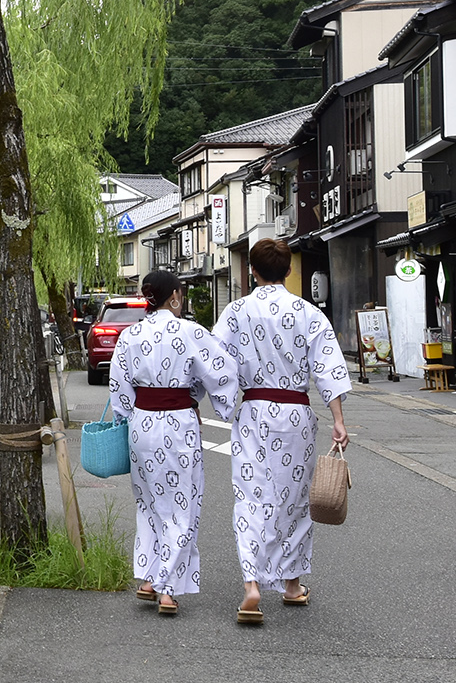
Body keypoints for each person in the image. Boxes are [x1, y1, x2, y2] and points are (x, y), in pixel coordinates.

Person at [215, 238, 351, 624]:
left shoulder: (236, 312)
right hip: (296, 414)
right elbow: (328, 367)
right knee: (294, 499)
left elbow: (216, 361)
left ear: (251, 272)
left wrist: (222, 402)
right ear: (290, 271)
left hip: (255, 410)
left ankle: (251, 585)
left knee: (251, 495)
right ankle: (291, 584)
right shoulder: (307, 313)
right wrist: (338, 420)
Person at [107, 269, 240, 616]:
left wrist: (127, 415)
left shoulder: (130, 335)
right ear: (175, 297)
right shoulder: (190, 331)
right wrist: (212, 401)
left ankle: (150, 577)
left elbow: (119, 387)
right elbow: (222, 370)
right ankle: (167, 587)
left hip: (142, 424)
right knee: (182, 502)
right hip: (178, 424)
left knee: (149, 501)